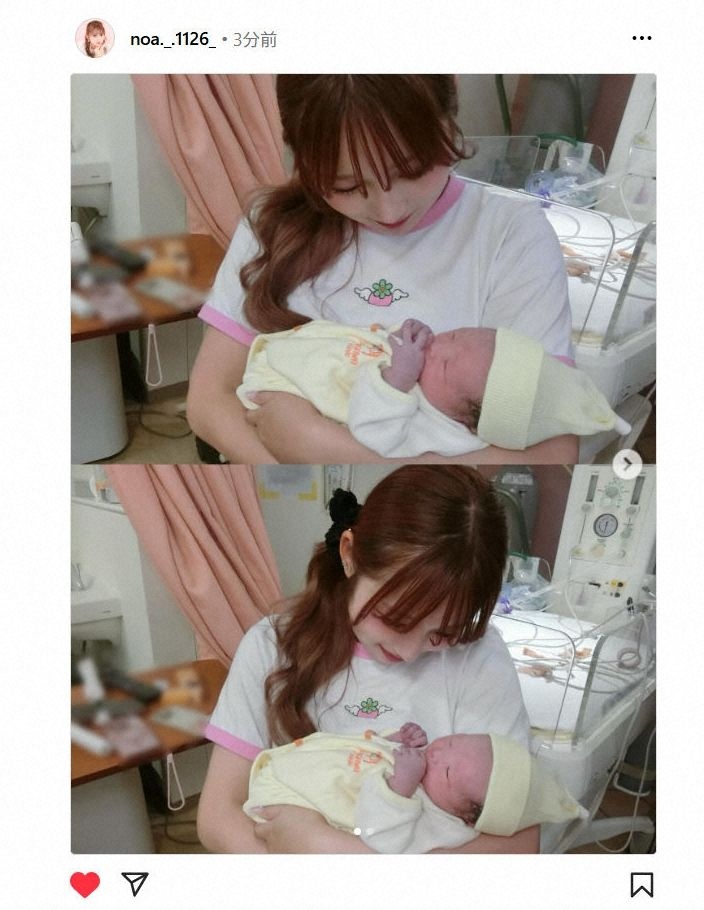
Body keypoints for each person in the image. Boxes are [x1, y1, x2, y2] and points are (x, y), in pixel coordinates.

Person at [187, 75, 578, 464]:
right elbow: (209, 400)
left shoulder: (511, 233)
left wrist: (318, 447)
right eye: (346, 186)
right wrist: (289, 466)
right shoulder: (272, 224)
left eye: (412, 169)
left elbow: (553, 448)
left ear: (448, 115)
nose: (389, 212)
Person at [197, 466, 539, 853]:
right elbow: (217, 817)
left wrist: (333, 855)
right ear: (349, 554)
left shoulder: (479, 656)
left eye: (442, 634)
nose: (409, 652)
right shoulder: (271, 645)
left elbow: (521, 841)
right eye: (395, 619)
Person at [237, 318, 630, 457]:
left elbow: (375, 433)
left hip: (279, 386)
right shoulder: (442, 386)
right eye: (454, 335)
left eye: (443, 365)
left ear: (464, 421)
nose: (437, 348)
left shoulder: (440, 431)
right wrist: (409, 334)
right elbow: (391, 341)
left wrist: (397, 380)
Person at [244, 722, 587, 853]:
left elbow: (379, 837)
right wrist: (394, 739)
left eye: (447, 771)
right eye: (453, 741)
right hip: (299, 760)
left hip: (288, 799)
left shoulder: (441, 824)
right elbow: (377, 752)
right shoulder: (429, 775)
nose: (437, 753)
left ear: (465, 816)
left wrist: (399, 788)